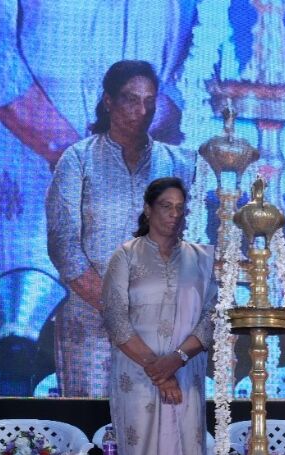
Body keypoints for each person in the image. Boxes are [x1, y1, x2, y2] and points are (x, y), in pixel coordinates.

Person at [0, 1, 194, 395]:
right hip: (27, 162)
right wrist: (71, 154)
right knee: (22, 342)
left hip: (135, 179)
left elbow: (188, 67)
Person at [48, 60, 195, 397]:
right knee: (91, 420)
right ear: (108, 101)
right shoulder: (78, 159)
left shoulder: (177, 163)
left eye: (149, 101)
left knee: (152, 422)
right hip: (91, 321)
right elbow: (63, 246)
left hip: (158, 326)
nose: (141, 111)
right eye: (131, 99)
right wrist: (117, 308)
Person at [101, 177, 214, 455]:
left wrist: (176, 360)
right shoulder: (125, 256)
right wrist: (158, 370)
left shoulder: (201, 259)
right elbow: (116, 320)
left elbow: (212, 318)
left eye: (181, 208)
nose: (174, 214)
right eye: (166, 206)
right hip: (137, 379)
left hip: (185, 374)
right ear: (148, 209)